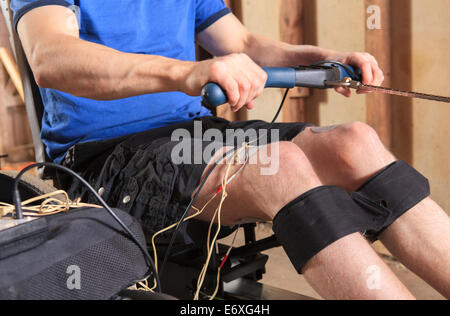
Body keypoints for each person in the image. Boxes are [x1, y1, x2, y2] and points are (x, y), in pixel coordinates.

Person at [11, 0, 450, 299]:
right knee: (280, 165)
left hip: (194, 135)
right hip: (106, 157)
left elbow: (243, 46)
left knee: (355, 142)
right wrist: (185, 72)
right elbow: (50, 56)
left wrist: (322, 58)